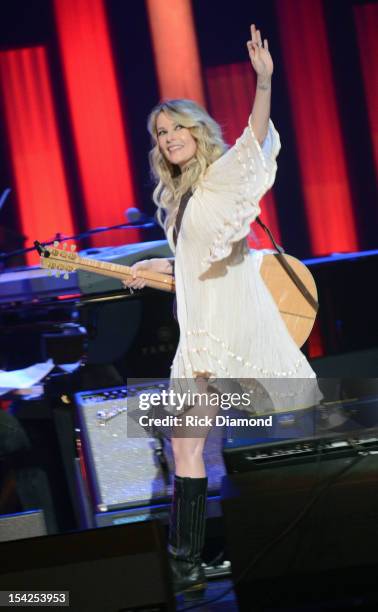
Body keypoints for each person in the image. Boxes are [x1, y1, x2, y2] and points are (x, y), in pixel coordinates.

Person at [123, 24, 321, 595]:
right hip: (200, 334)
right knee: (184, 445)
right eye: (160, 133)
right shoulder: (180, 199)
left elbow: (254, 144)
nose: (168, 138)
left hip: (227, 327)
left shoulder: (220, 178)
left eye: (176, 128)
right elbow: (194, 263)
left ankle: (291, 530)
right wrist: (160, 268)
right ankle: (187, 562)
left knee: (275, 427)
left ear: (196, 131)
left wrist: (263, 84)